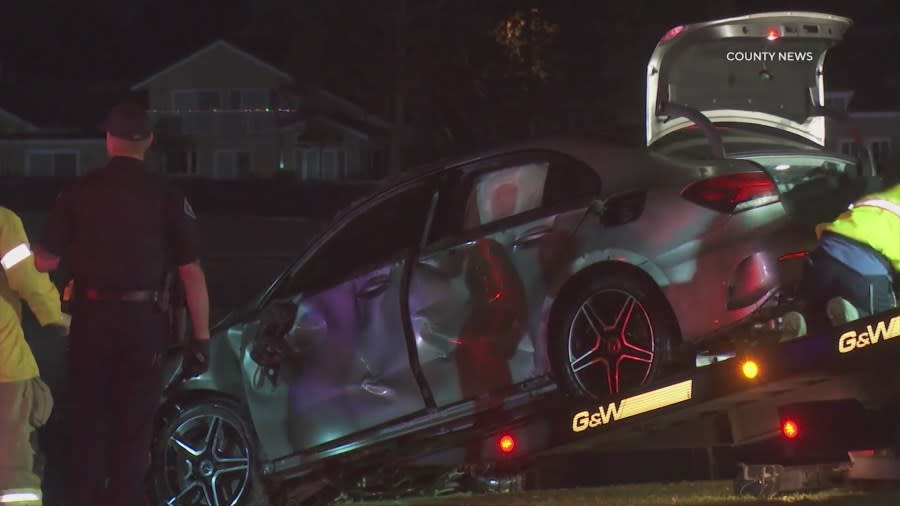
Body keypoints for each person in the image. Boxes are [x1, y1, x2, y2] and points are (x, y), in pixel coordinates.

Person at [32, 102, 212, 506]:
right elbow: (191, 271)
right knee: (134, 427)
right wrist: (201, 337)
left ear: (108, 139)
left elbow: (47, 260)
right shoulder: (167, 195)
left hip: (91, 321)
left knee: (87, 423)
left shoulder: (78, 191)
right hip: (144, 324)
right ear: (148, 140)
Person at [0, 206, 70, 505]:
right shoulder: (2, 221)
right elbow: (28, 279)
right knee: (15, 477)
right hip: (5, 367)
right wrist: (62, 320)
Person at [782, 182, 900, 340]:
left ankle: (801, 318)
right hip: (864, 268)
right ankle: (855, 317)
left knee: (817, 316)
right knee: (884, 326)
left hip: (823, 256)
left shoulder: (890, 195)